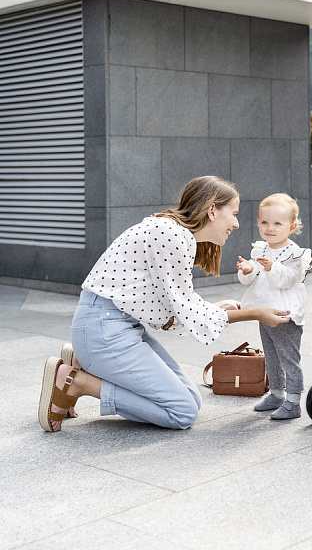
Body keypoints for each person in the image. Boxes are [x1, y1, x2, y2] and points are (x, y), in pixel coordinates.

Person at [38, 176, 290, 433]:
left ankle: (84, 360)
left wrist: (214, 310)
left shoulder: (170, 231)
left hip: (112, 326)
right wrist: (254, 313)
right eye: (234, 214)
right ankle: (77, 383)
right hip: (104, 330)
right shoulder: (171, 235)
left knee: (192, 400)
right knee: (182, 413)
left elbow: (169, 307)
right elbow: (180, 309)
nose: (236, 224)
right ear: (213, 210)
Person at [236, 193, 311, 420]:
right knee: (271, 355)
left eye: (278, 223)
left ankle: (294, 401)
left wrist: (272, 268)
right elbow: (252, 279)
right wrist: (248, 270)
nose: (270, 228)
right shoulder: (261, 249)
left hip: (284, 313)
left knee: (288, 357)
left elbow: (288, 279)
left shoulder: (295, 253)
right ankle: (276, 394)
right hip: (264, 311)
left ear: (292, 227)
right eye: (264, 222)